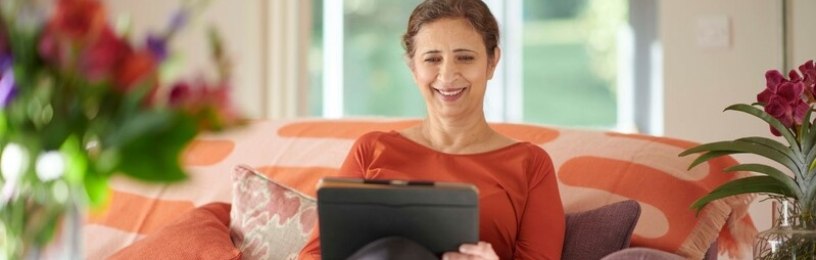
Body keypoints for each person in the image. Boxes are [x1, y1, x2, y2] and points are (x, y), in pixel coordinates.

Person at [298, 0, 565, 259]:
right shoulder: (371, 150)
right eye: (432, 59)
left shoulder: (531, 165)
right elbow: (314, 254)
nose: (447, 75)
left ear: (492, 61)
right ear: (413, 67)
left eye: (465, 57)